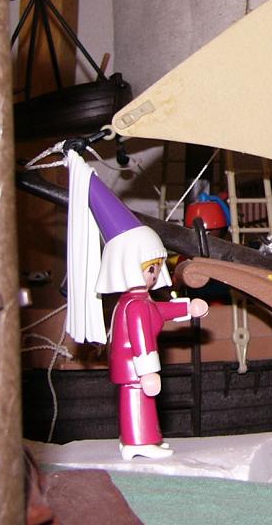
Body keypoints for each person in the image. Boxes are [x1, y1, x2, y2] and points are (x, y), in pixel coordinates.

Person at [66, 151, 208, 460]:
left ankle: (147, 439)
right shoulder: (135, 305)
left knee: (143, 403)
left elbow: (160, 310)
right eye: (150, 268)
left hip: (132, 365)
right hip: (136, 366)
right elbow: (143, 339)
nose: (155, 274)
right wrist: (148, 370)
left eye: (157, 267)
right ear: (129, 265)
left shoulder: (136, 301)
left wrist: (187, 308)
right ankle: (137, 442)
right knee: (137, 402)